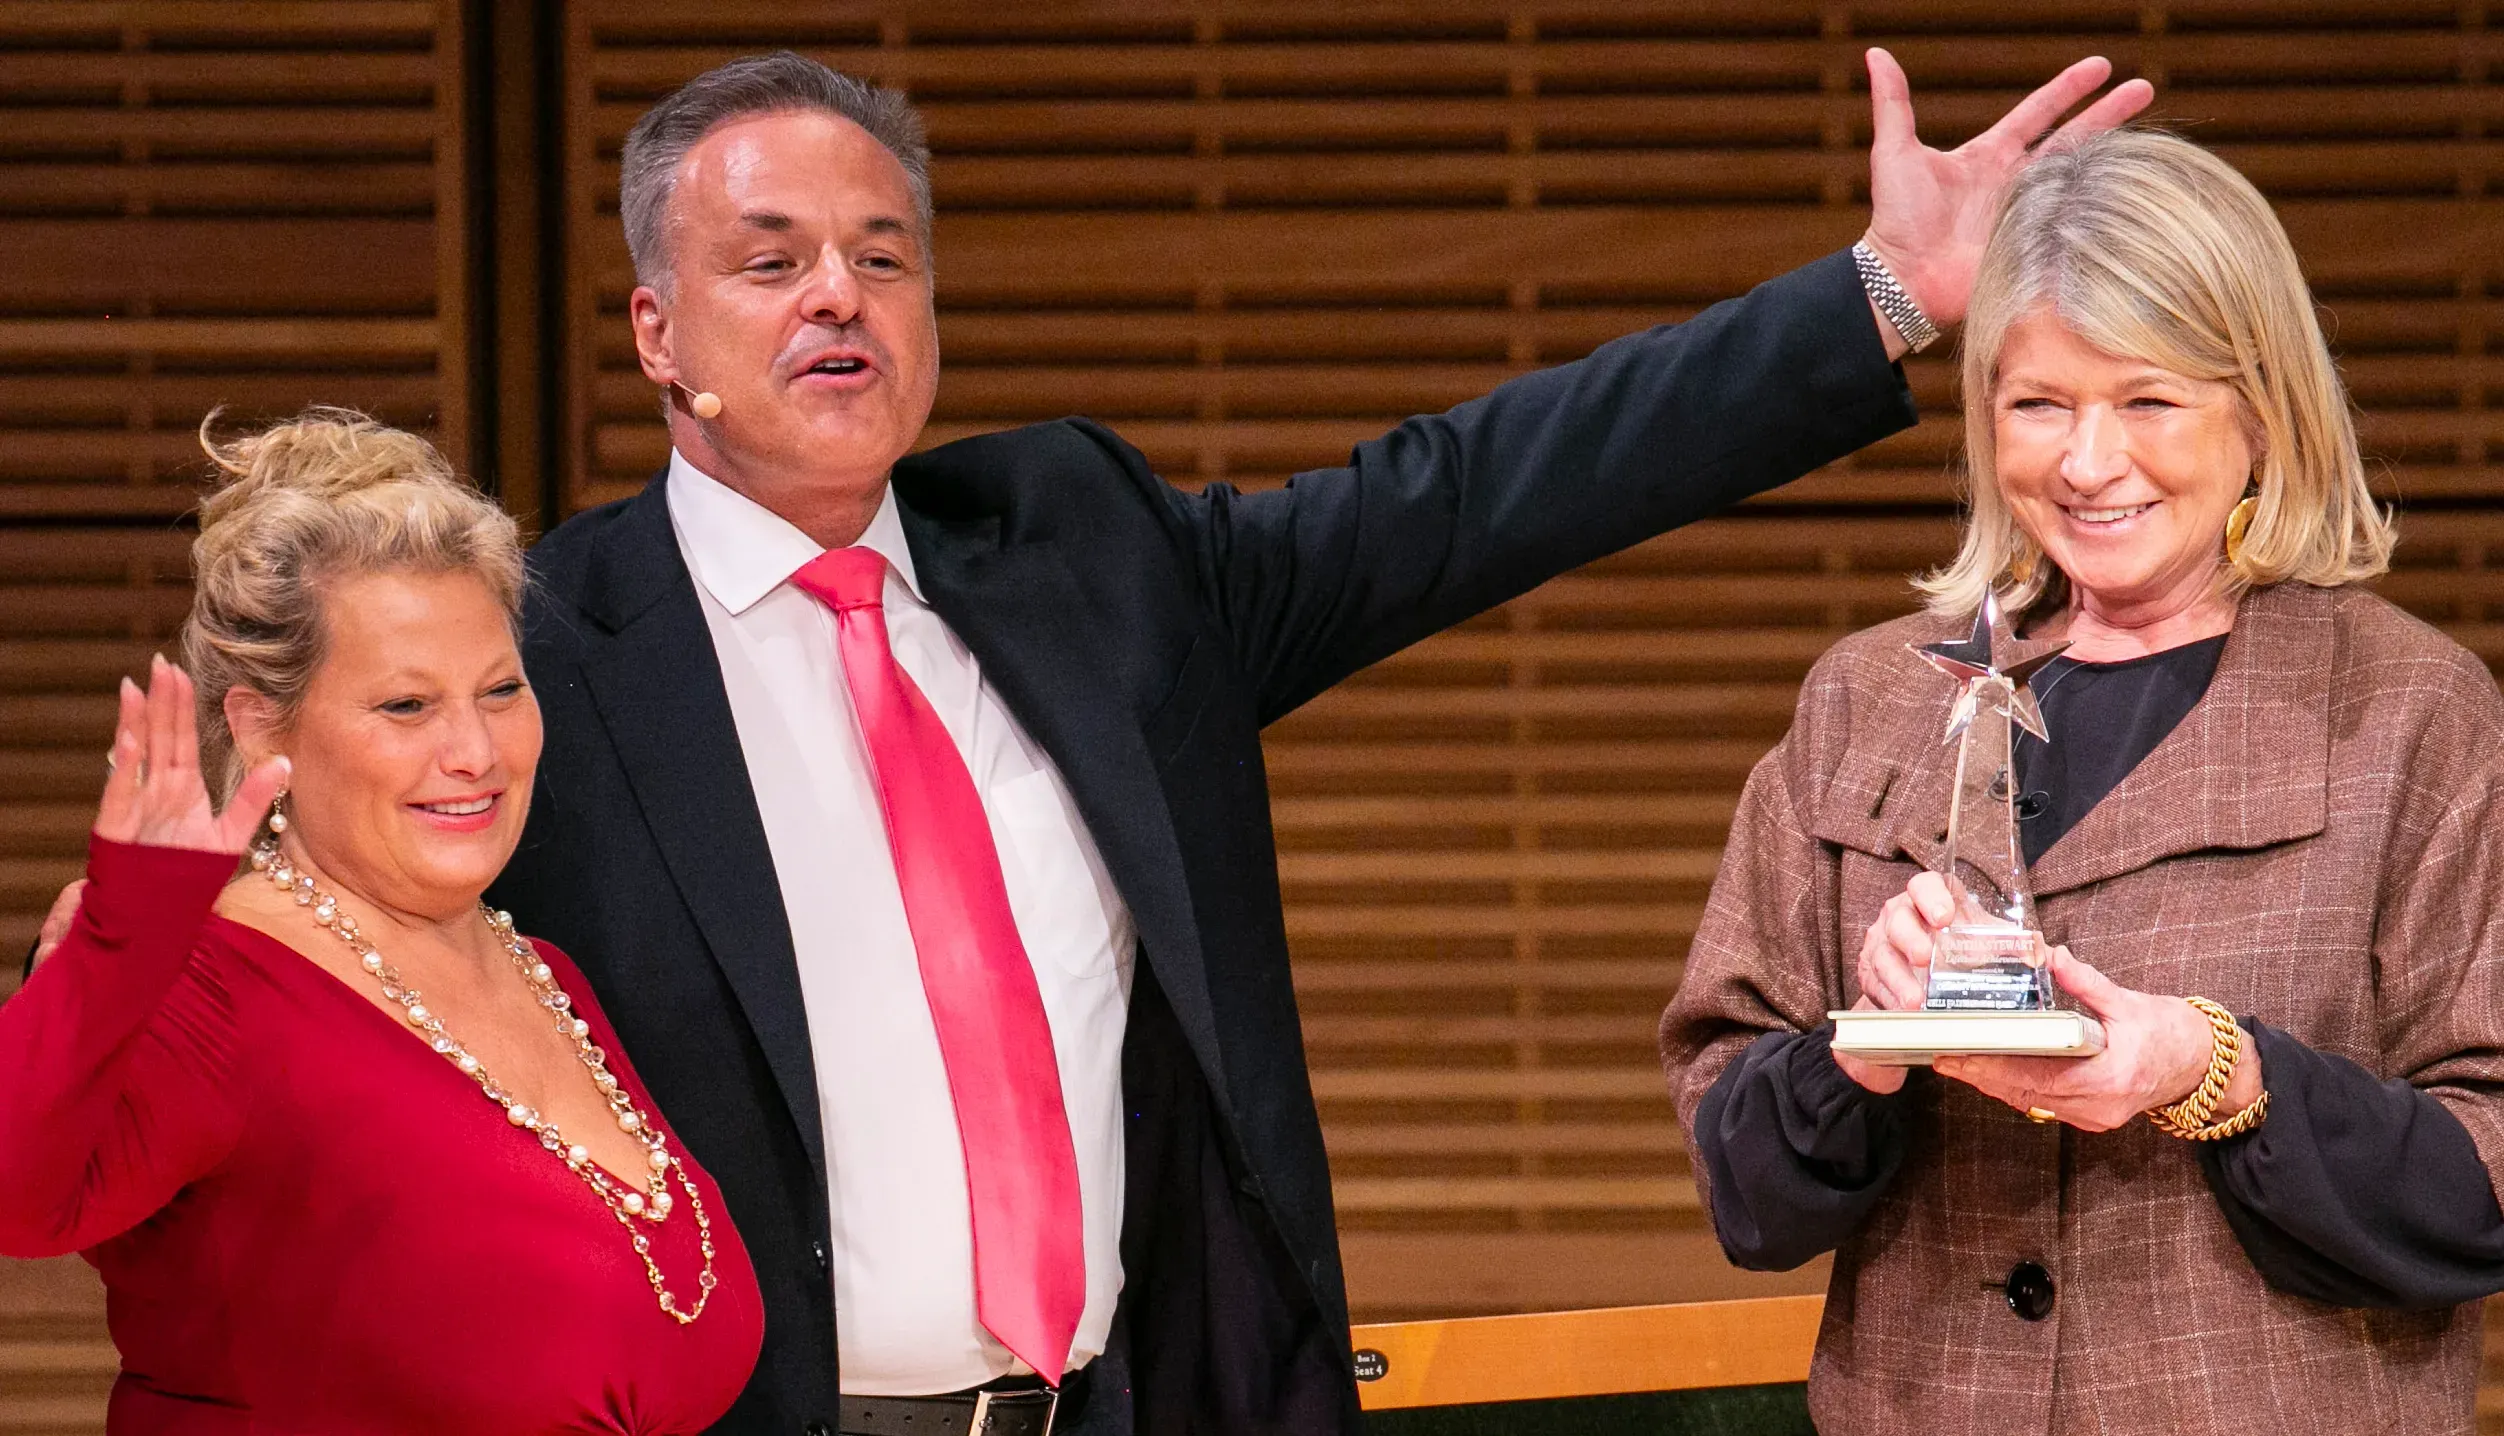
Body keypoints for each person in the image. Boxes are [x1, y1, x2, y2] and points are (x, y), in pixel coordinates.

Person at [35, 48, 2149, 1436]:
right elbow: (320, 982)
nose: (836, 298)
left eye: (882, 254)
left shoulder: (1089, 555)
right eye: (766, 263)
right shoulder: (545, 662)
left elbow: (1473, 489)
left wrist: (1878, 292)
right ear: (659, 334)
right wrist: (147, 923)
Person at [1659, 128, 2504, 1436]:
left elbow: (2483, 1188)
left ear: (2263, 412)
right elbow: (1749, 1194)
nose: (2086, 463)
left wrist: (2209, 1071)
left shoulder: (2414, 718)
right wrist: (1868, 1048)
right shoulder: (1869, 702)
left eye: (2149, 402)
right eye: (2037, 404)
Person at [0, 413, 764, 1433]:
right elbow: (19, 1197)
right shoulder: (209, 981)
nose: (473, 750)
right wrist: (118, 945)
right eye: (405, 706)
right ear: (263, 723)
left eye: (500, 690)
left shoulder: (544, 972)